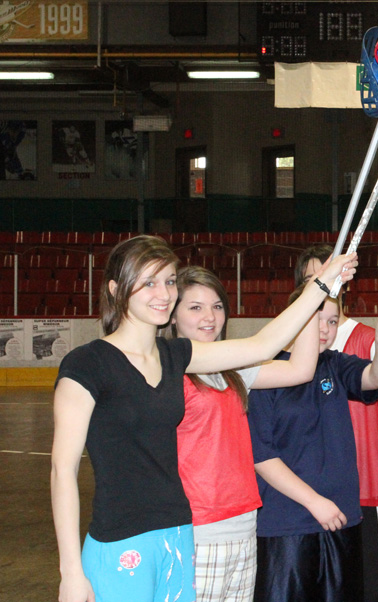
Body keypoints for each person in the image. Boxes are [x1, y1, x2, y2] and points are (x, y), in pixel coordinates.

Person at [51, 234, 356, 602]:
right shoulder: (87, 363)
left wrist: (318, 286)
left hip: (178, 535)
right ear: (116, 289)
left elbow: (263, 345)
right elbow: (63, 470)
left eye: (168, 281)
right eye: (149, 283)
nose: (163, 293)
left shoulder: (176, 356)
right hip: (121, 540)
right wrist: (70, 570)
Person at [247, 289, 378, 602]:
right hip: (287, 524)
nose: (325, 329)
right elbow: (262, 456)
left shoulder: (335, 364)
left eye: (332, 321)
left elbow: (375, 377)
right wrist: (315, 502)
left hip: (340, 519)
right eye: (316, 319)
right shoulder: (265, 372)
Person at [170, 265, 320, 602]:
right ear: (172, 316)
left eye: (217, 306)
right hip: (197, 528)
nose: (209, 317)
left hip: (243, 522)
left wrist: (313, 297)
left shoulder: (231, 368)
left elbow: (301, 368)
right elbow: (264, 346)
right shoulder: (167, 367)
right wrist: (316, 290)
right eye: (195, 307)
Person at [296, 245, 378, 602]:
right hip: (302, 496)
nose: (322, 283)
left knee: (365, 588)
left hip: (362, 488)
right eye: (313, 278)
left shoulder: (358, 344)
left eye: (330, 275)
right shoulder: (279, 350)